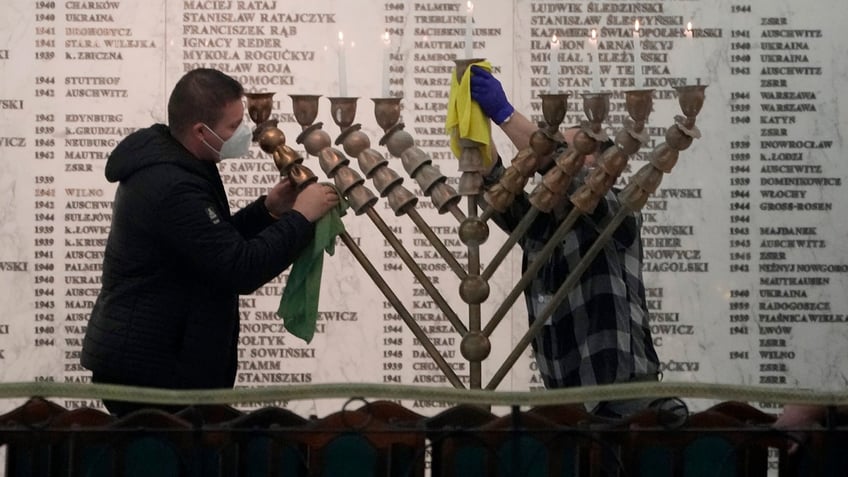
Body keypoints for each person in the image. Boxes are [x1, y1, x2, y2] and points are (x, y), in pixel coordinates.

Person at [81, 68, 339, 416]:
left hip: (160, 364)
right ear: (201, 131)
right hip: (153, 379)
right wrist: (301, 217)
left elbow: (210, 245)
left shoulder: (177, 164)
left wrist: (269, 210)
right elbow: (238, 268)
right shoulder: (172, 185)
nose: (244, 133)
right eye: (234, 126)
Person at [470, 66, 661, 418]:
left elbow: (566, 174)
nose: (559, 162)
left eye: (573, 153)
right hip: (562, 400)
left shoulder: (619, 211)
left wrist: (505, 113)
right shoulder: (540, 225)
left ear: (601, 164)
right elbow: (498, 189)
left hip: (625, 397)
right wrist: (474, 133)